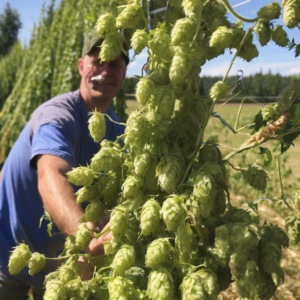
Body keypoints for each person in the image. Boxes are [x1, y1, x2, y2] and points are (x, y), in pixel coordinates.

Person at [0, 31, 129, 299]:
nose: (105, 71)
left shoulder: (118, 132)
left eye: (115, 64)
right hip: (6, 252)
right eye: (98, 60)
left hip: (58, 265)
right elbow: (51, 174)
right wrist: (87, 238)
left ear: (124, 73)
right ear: (81, 65)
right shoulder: (57, 114)